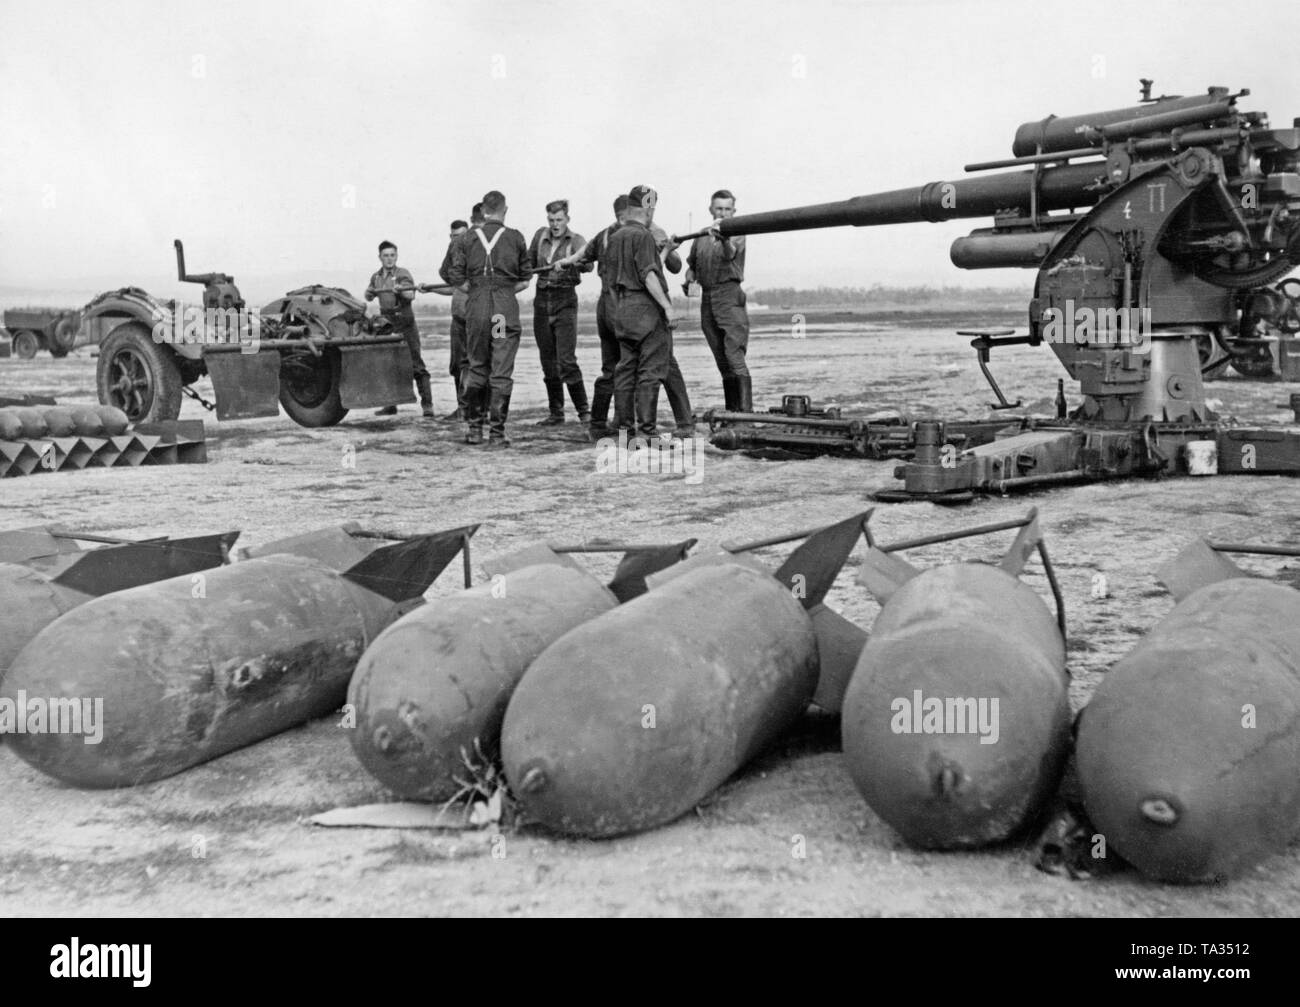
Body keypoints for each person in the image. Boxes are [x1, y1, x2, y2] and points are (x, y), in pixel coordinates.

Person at [447, 190, 530, 447]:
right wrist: (502, 290)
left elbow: (455, 278)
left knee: (477, 366)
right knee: (500, 368)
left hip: (477, 309)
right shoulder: (515, 238)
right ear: (505, 210)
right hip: (501, 312)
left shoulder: (466, 239)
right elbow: (525, 280)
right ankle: (496, 433)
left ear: (483, 211)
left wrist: (476, 292)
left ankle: (474, 430)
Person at [606, 185, 678, 440]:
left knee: (625, 371)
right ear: (648, 209)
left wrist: (666, 251)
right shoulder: (644, 236)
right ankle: (647, 433)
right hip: (647, 311)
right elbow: (648, 274)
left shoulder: (615, 237)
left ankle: (625, 432)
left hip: (623, 310)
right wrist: (667, 308)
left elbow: (612, 279)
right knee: (650, 373)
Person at [528, 200, 592, 425]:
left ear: (567, 219)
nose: (555, 225)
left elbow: (589, 264)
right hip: (541, 302)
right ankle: (556, 413)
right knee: (548, 360)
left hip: (565, 300)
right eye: (551, 220)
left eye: (559, 220)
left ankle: (584, 413)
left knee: (566, 360)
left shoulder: (577, 240)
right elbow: (527, 264)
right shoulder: (540, 237)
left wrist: (571, 262)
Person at [687, 189, 751, 412]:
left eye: (727, 209)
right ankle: (732, 412)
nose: (722, 212)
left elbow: (730, 253)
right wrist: (689, 280)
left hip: (729, 295)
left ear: (734, 211)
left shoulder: (738, 230)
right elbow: (692, 266)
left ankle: (745, 413)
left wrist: (723, 239)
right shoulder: (702, 235)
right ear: (711, 210)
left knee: (734, 355)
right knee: (721, 359)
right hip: (707, 298)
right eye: (718, 208)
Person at [365, 241, 433, 417]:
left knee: (416, 364)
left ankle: (428, 405)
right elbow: (368, 295)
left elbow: (410, 295)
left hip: (404, 320)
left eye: (392, 255)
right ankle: (390, 405)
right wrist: (370, 292)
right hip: (386, 322)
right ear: (380, 257)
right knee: (388, 364)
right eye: (386, 256)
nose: (389, 259)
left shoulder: (403, 274)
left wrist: (401, 291)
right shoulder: (377, 276)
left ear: (397, 256)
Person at [437, 204, 483, 420]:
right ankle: (465, 408)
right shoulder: (457, 247)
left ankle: (484, 408)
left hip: (492, 316)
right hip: (461, 316)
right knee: (459, 363)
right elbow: (446, 273)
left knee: (490, 359)